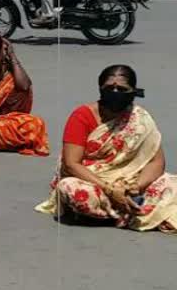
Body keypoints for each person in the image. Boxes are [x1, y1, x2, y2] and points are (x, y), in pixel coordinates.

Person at [36, 65, 177, 233]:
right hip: (93, 180)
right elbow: (71, 164)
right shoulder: (82, 116)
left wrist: (136, 187)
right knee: (71, 188)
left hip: (130, 183)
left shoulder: (140, 118)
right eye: (110, 88)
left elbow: (157, 162)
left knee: (171, 183)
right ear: (100, 89)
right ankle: (136, 211)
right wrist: (110, 190)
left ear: (133, 92)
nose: (115, 92)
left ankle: (122, 210)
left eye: (122, 89)